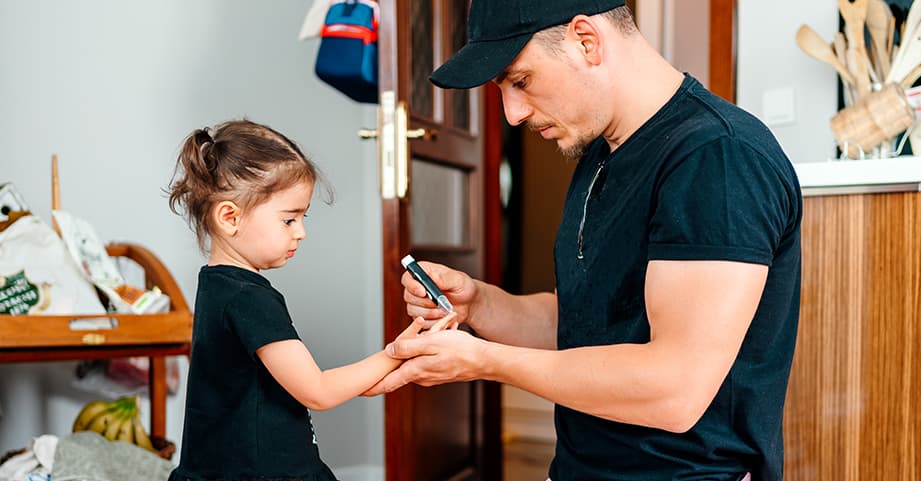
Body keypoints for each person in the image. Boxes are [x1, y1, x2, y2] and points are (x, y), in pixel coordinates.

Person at [369, 1, 802, 480]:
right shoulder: (600, 152)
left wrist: (485, 361)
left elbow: (673, 390)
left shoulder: (717, 158)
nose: (512, 114)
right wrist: (478, 304)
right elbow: (590, 324)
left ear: (585, 40)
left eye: (520, 80)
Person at [166, 119, 427, 481]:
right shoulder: (250, 299)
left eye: (303, 218)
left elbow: (274, 383)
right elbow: (316, 390)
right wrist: (396, 352)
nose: (301, 233)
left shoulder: (216, 286)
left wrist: (382, 373)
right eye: (289, 220)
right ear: (230, 217)